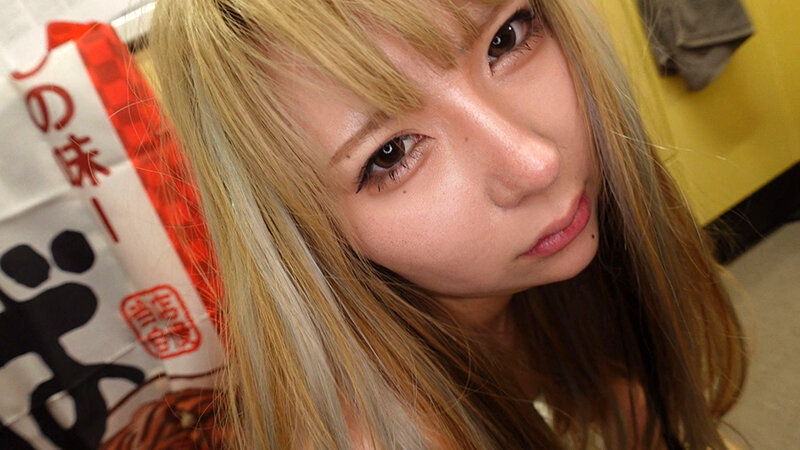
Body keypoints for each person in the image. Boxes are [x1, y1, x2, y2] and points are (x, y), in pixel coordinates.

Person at [147, 0, 747, 448]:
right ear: (307, 235)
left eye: (506, 39)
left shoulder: (543, 294)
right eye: (390, 154)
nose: (535, 163)